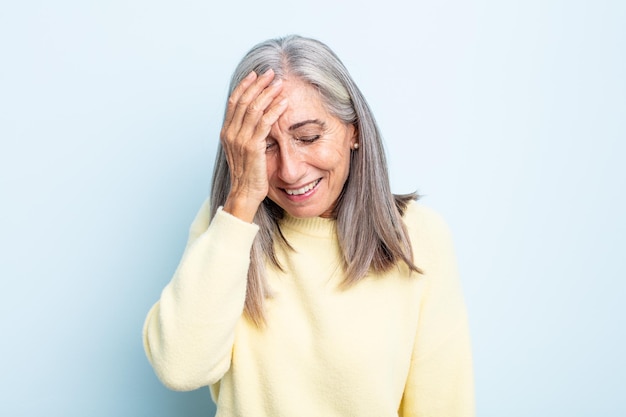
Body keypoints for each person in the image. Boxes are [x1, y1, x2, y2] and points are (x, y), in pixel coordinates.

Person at [143, 35, 474, 417]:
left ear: (354, 132)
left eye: (309, 137)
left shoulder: (419, 236)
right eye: (265, 146)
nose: (290, 170)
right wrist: (240, 204)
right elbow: (180, 368)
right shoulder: (228, 227)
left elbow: (444, 406)